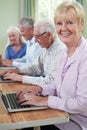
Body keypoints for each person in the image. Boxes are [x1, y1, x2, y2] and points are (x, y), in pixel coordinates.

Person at [14, 1, 87, 130]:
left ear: (81, 25)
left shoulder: (84, 56)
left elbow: (83, 104)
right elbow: (58, 86)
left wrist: (45, 100)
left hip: (74, 124)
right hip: (58, 116)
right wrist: (40, 90)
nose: (63, 28)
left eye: (70, 22)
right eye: (59, 23)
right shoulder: (65, 51)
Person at [0, 19, 65, 87]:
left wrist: (22, 78)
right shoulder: (46, 47)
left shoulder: (60, 50)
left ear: (48, 34)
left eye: (37, 37)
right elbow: (34, 67)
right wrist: (17, 70)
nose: (36, 41)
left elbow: (51, 82)